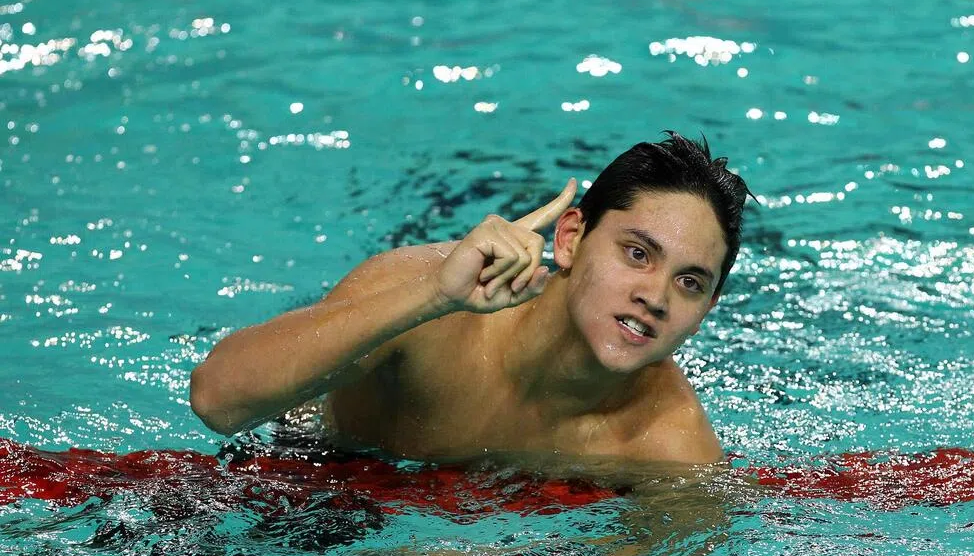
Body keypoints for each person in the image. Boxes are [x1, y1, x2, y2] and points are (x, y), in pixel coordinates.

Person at [190, 132, 751, 466]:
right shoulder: (428, 307)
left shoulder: (671, 446)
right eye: (636, 253)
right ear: (570, 238)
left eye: (689, 282)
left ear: (706, 312)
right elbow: (216, 400)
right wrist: (432, 296)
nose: (654, 296)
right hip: (312, 459)